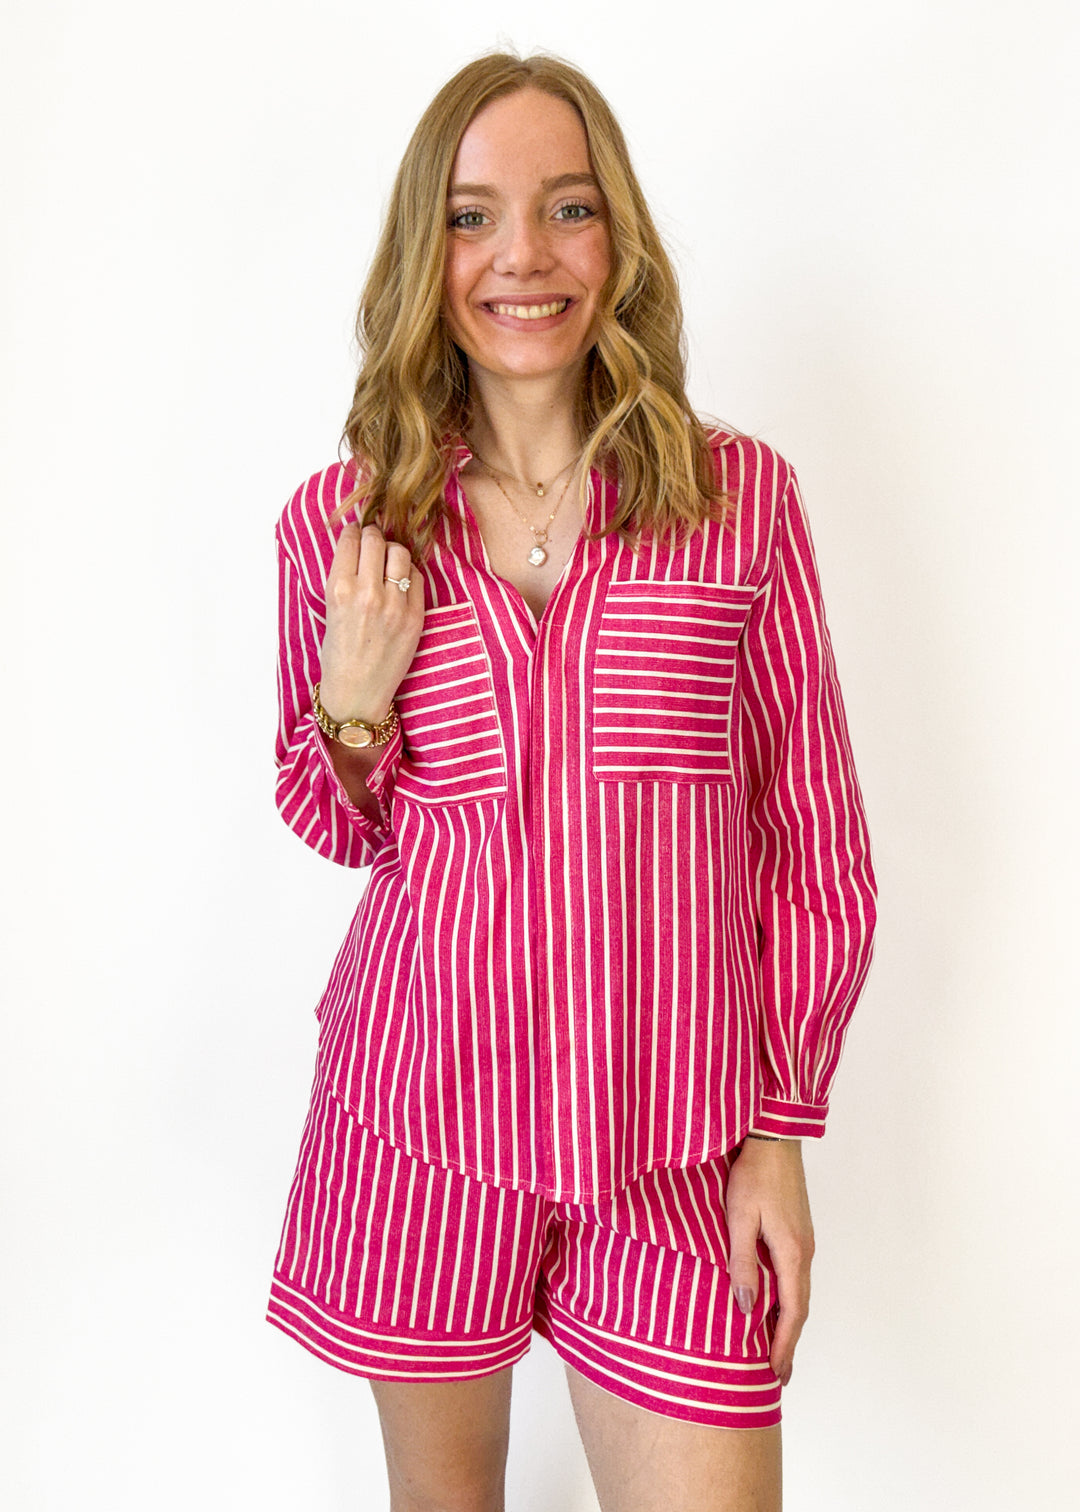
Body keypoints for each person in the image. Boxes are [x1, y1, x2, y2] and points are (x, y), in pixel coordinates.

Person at [266, 49, 877, 1512]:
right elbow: (329, 818)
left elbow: (814, 841)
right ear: (428, 251)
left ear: (621, 241)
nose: (522, 258)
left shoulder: (740, 504)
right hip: (423, 1118)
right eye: (473, 218)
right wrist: (353, 701)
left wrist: (779, 1139)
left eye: (566, 209)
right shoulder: (348, 523)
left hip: (675, 1135)